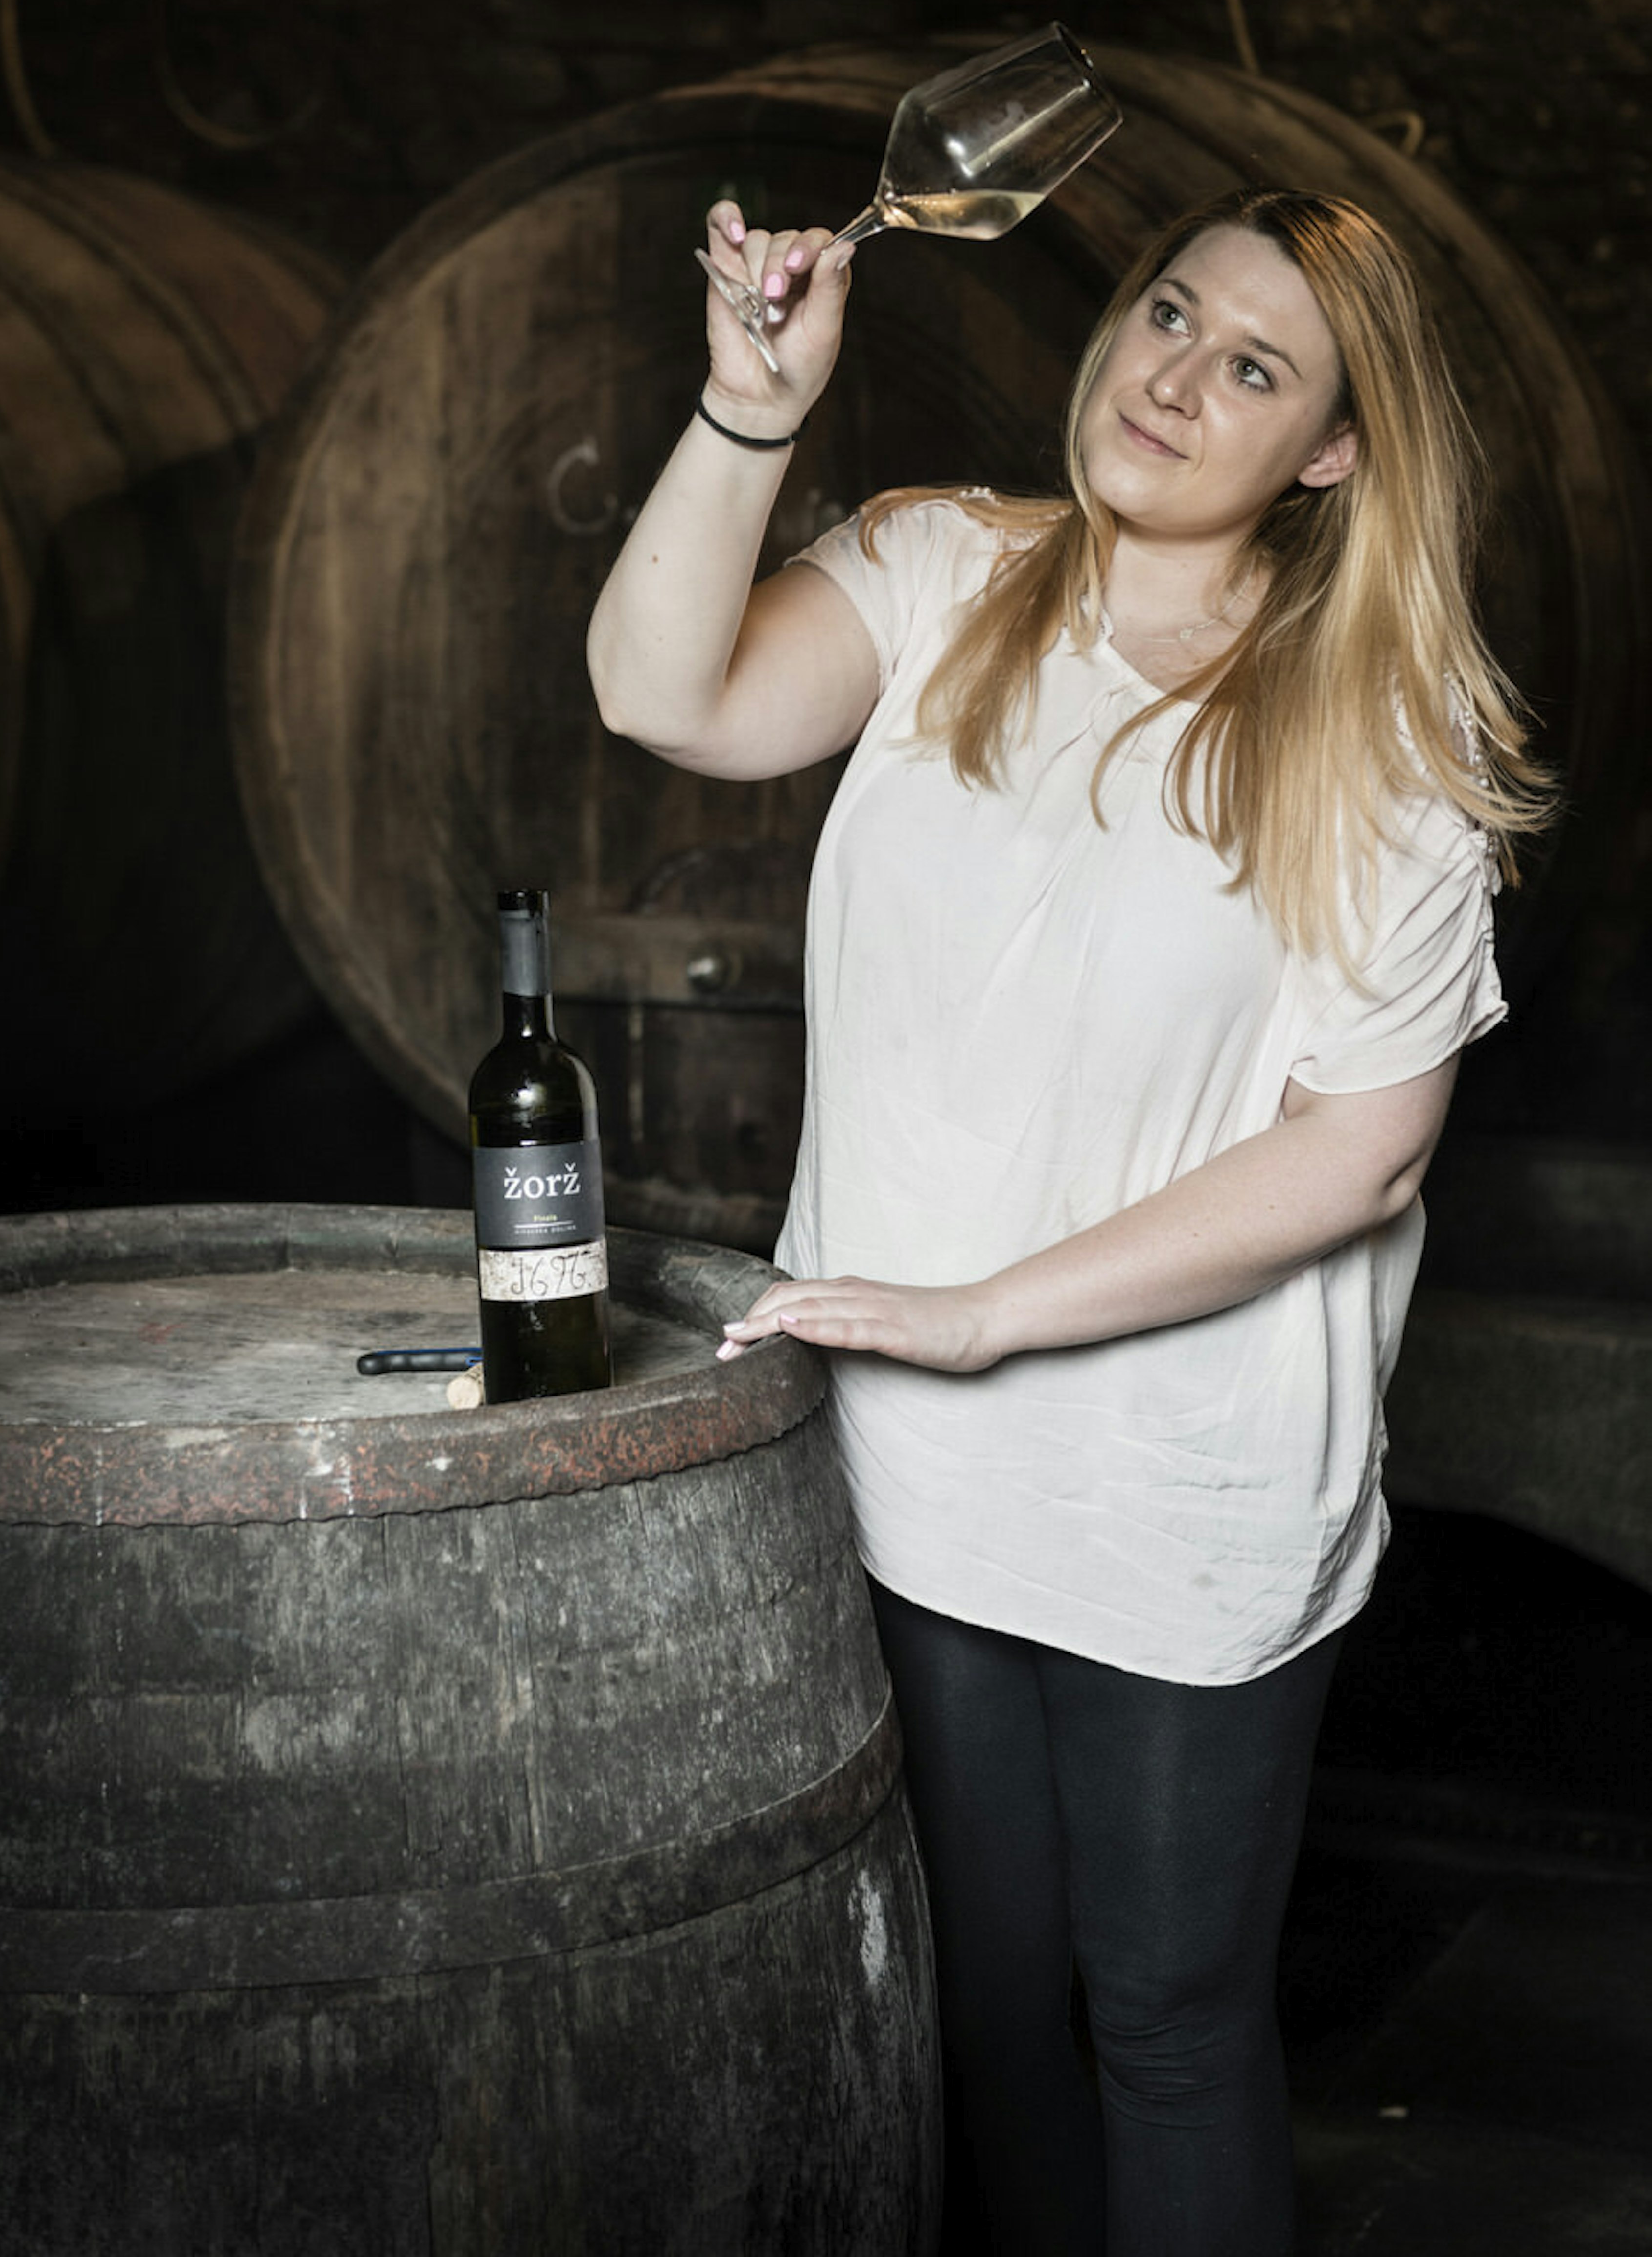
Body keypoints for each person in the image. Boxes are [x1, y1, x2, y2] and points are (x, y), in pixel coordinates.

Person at [586, 181, 1553, 2257]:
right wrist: (747, 413)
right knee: (991, 2004)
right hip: (912, 1463)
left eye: (1257, 365)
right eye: (1172, 313)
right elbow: (666, 694)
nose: (1176, 376)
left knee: (1175, 2018)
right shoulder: (950, 567)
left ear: (1334, 450)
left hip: (1176, 1482)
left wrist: (990, 1311)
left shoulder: (1381, 718)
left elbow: (1362, 1145)